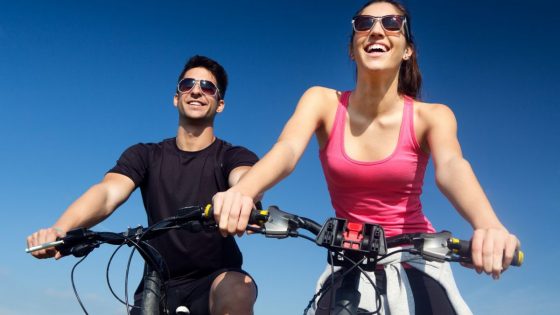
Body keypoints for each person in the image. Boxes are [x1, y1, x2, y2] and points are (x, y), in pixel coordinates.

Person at [211, 1, 520, 314]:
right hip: (348, 257)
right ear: (352, 49)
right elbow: (287, 149)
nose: (376, 30)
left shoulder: (433, 116)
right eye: (364, 23)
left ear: (408, 50)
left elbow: (453, 167)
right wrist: (243, 192)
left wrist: (488, 225)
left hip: (416, 255)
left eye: (391, 22)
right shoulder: (321, 101)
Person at [26, 55, 258, 315]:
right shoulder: (146, 155)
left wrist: (241, 194)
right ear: (176, 97)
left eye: (207, 87)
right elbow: (107, 193)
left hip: (216, 280)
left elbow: (247, 178)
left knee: (238, 288)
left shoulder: (232, 156)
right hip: (157, 282)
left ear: (220, 104)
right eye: (187, 84)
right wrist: (61, 228)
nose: (196, 91)